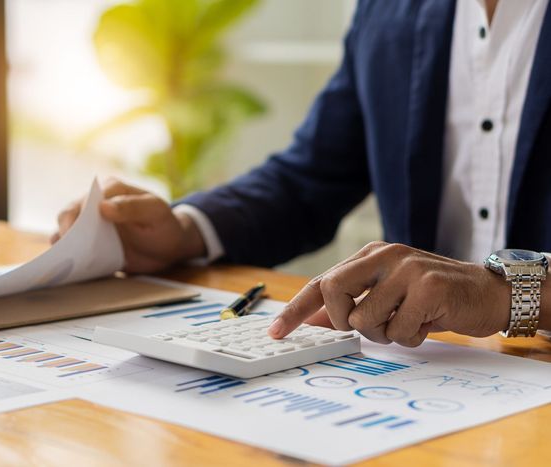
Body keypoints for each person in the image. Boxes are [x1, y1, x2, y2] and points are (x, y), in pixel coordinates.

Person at [53, 0, 551, 347]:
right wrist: (185, 230)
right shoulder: (389, 9)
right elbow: (310, 178)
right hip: (425, 372)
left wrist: (508, 294)